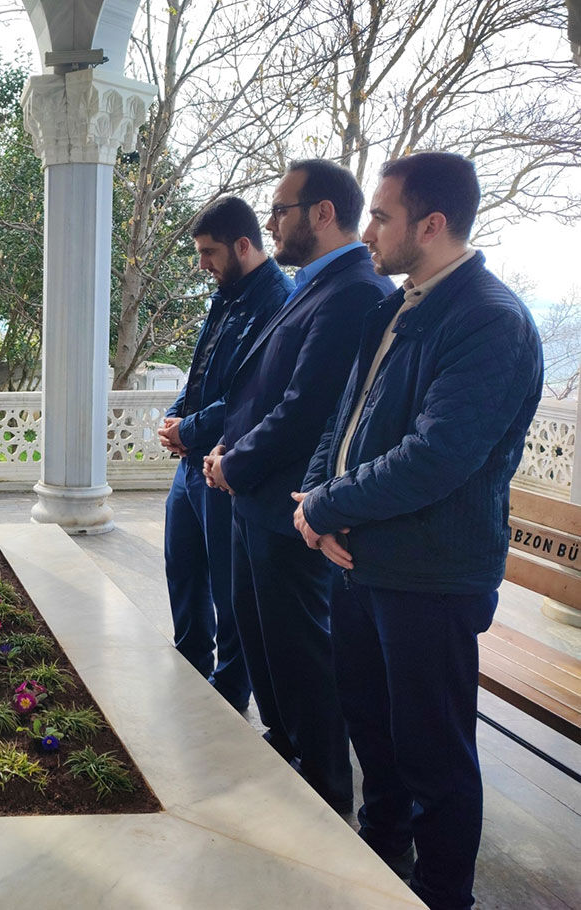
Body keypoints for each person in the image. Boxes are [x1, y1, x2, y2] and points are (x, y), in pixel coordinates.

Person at [294, 152, 542, 909]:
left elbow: (436, 457)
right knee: (372, 727)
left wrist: (328, 506)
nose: (367, 229)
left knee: (434, 755)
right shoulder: (400, 303)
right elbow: (347, 416)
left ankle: (441, 896)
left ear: (431, 225)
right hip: (364, 562)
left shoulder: (489, 320)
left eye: (382, 215)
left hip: (430, 577)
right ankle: (380, 860)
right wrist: (313, 498)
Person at [202, 159, 394, 813]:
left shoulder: (353, 292)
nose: (273, 219)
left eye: (281, 208)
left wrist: (235, 461)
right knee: (264, 647)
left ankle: (323, 796)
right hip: (255, 499)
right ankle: (285, 761)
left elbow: (307, 407)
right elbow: (264, 392)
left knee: (301, 658)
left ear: (321, 212)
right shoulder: (315, 285)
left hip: (287, 507)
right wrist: (228, 444)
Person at [159, 196, 291, 713]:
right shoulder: (227, 293)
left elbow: (249, 394)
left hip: (224, 466)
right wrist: (176, 416)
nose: (202, 265)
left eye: (209, 253)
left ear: (243, 245)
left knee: (229, 588)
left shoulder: (277, 301)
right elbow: (202, 373)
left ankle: (229, 694)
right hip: (191, 463)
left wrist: (190, 429)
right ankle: (188, 668)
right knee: (182, 568)